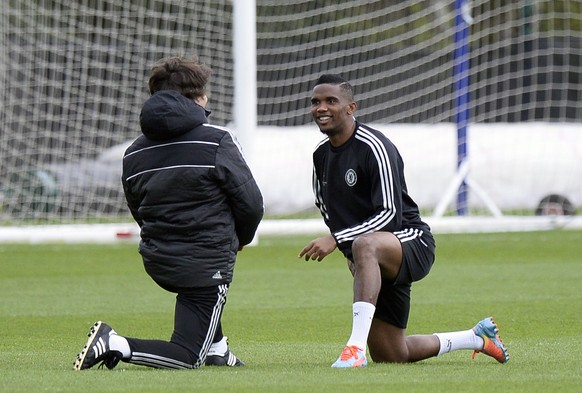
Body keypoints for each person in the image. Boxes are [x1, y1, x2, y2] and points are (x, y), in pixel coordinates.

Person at [299, 74, 509, 368]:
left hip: (410, 241)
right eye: (315, 102)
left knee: (365, 245)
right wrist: (353, 251)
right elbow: (326, 207)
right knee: (391, 354)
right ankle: (476, 337)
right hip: (371, 251)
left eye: (331, 101)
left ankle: (354, 349)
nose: (321, 108)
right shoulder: (321, 155)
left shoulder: (374, 146)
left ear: (351, 108)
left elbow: (389, 214)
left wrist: (340, 241)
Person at [73, 56, 264, 371]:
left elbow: (139, 209)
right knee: (188, 357)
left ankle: (218, 349)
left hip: (158, 258)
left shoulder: (134, 151)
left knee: (199, 302)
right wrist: (240, 238)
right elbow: (251, 202)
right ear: (199, 98)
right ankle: (116, 343)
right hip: (206, 259)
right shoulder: (216, 140)